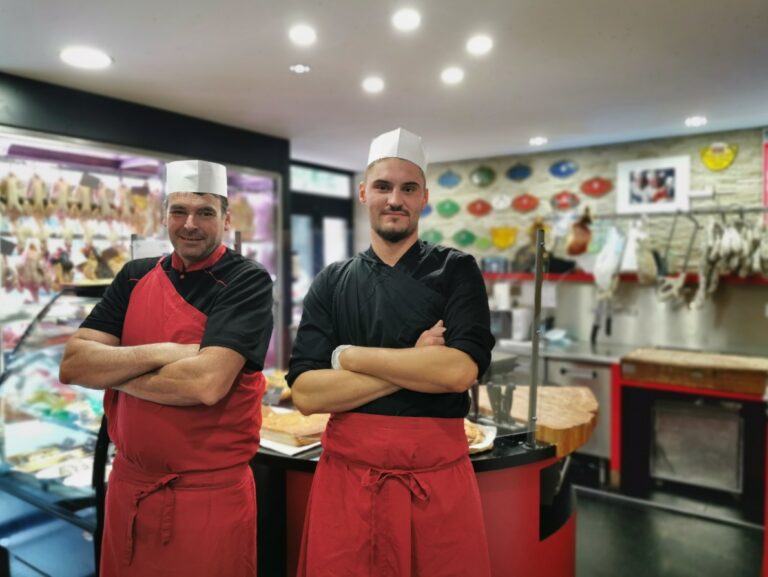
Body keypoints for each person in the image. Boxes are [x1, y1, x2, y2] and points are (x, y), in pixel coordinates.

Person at [287, 128, 495, 577]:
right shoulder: (331, 281)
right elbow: (306, 394)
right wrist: (415, 358)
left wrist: (348, 357)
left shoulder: (456, 270)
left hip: (435, 483)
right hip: (347, 484)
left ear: (424, 198)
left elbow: (458, 371)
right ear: (364, 193)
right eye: (383, 186)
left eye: (408, 188)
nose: (394, 199)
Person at [59, 159, 273, 577]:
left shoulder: (247, 282)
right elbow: (74, 364)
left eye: (205, 212)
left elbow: (205, 384)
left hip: (207, 499)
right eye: (179, 211)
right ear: (165, 217)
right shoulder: (135, 276)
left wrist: (116, 373)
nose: (190, 223)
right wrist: (170, 351)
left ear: (226, 219)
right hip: (128, 487)